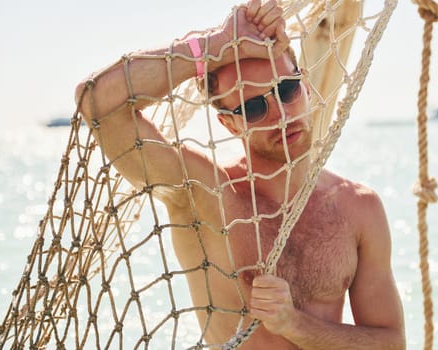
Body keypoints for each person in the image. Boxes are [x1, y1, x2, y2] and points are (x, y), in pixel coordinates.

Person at [75, 0, 405, 348]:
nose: (280, 114)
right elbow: (97, 102)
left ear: (306, 86)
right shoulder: (203, 194)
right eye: (253, 107)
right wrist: (214, 46)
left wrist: (294, 325)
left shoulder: (359, 208)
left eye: (287, 89)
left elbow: (392, 343)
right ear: (228, 123)